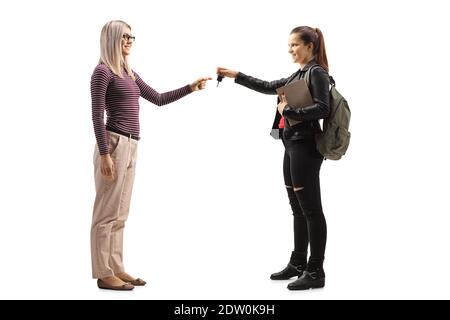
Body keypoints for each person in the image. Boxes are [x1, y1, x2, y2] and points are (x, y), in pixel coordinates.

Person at [90, 20, 211, 290]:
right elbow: (97, 115)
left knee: (120, 213)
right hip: (114, 143)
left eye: (132, 37)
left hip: (132, 144)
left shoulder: (128, 73)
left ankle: (117, 268)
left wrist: (189, 88)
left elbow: (157, 98)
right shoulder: (102, 72)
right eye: (124, 37)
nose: (130, 41)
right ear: (111, 39)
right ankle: (103, 272)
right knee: (106, 213)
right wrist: (105, 153)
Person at [217, 26, 330, 290]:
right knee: (297, 207)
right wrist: (236, 75)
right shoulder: (299, 73)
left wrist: (289, 109)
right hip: (290, 145)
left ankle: (316, 271)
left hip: (306, 148)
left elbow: (322, 108)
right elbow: (270, 87)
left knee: (311, 210)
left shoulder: (317, 73)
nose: (290, 49)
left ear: (310, 46)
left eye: (294, 45)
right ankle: (299, 262)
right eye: (288, 45)